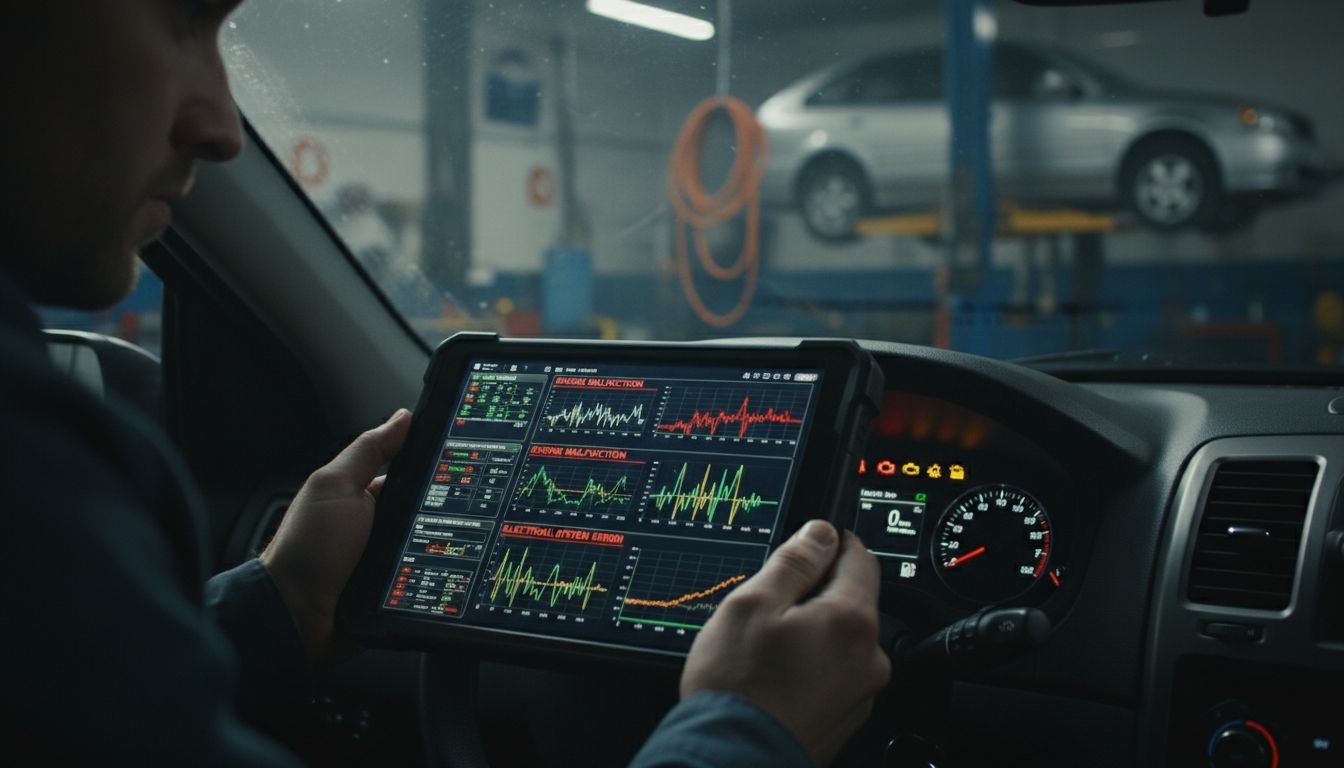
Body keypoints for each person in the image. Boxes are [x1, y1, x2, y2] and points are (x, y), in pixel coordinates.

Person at [0, 1, 889, 765]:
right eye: (189, 19)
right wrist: (747, 733)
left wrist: (280, 606)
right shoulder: (32, 469)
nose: (224, 128)